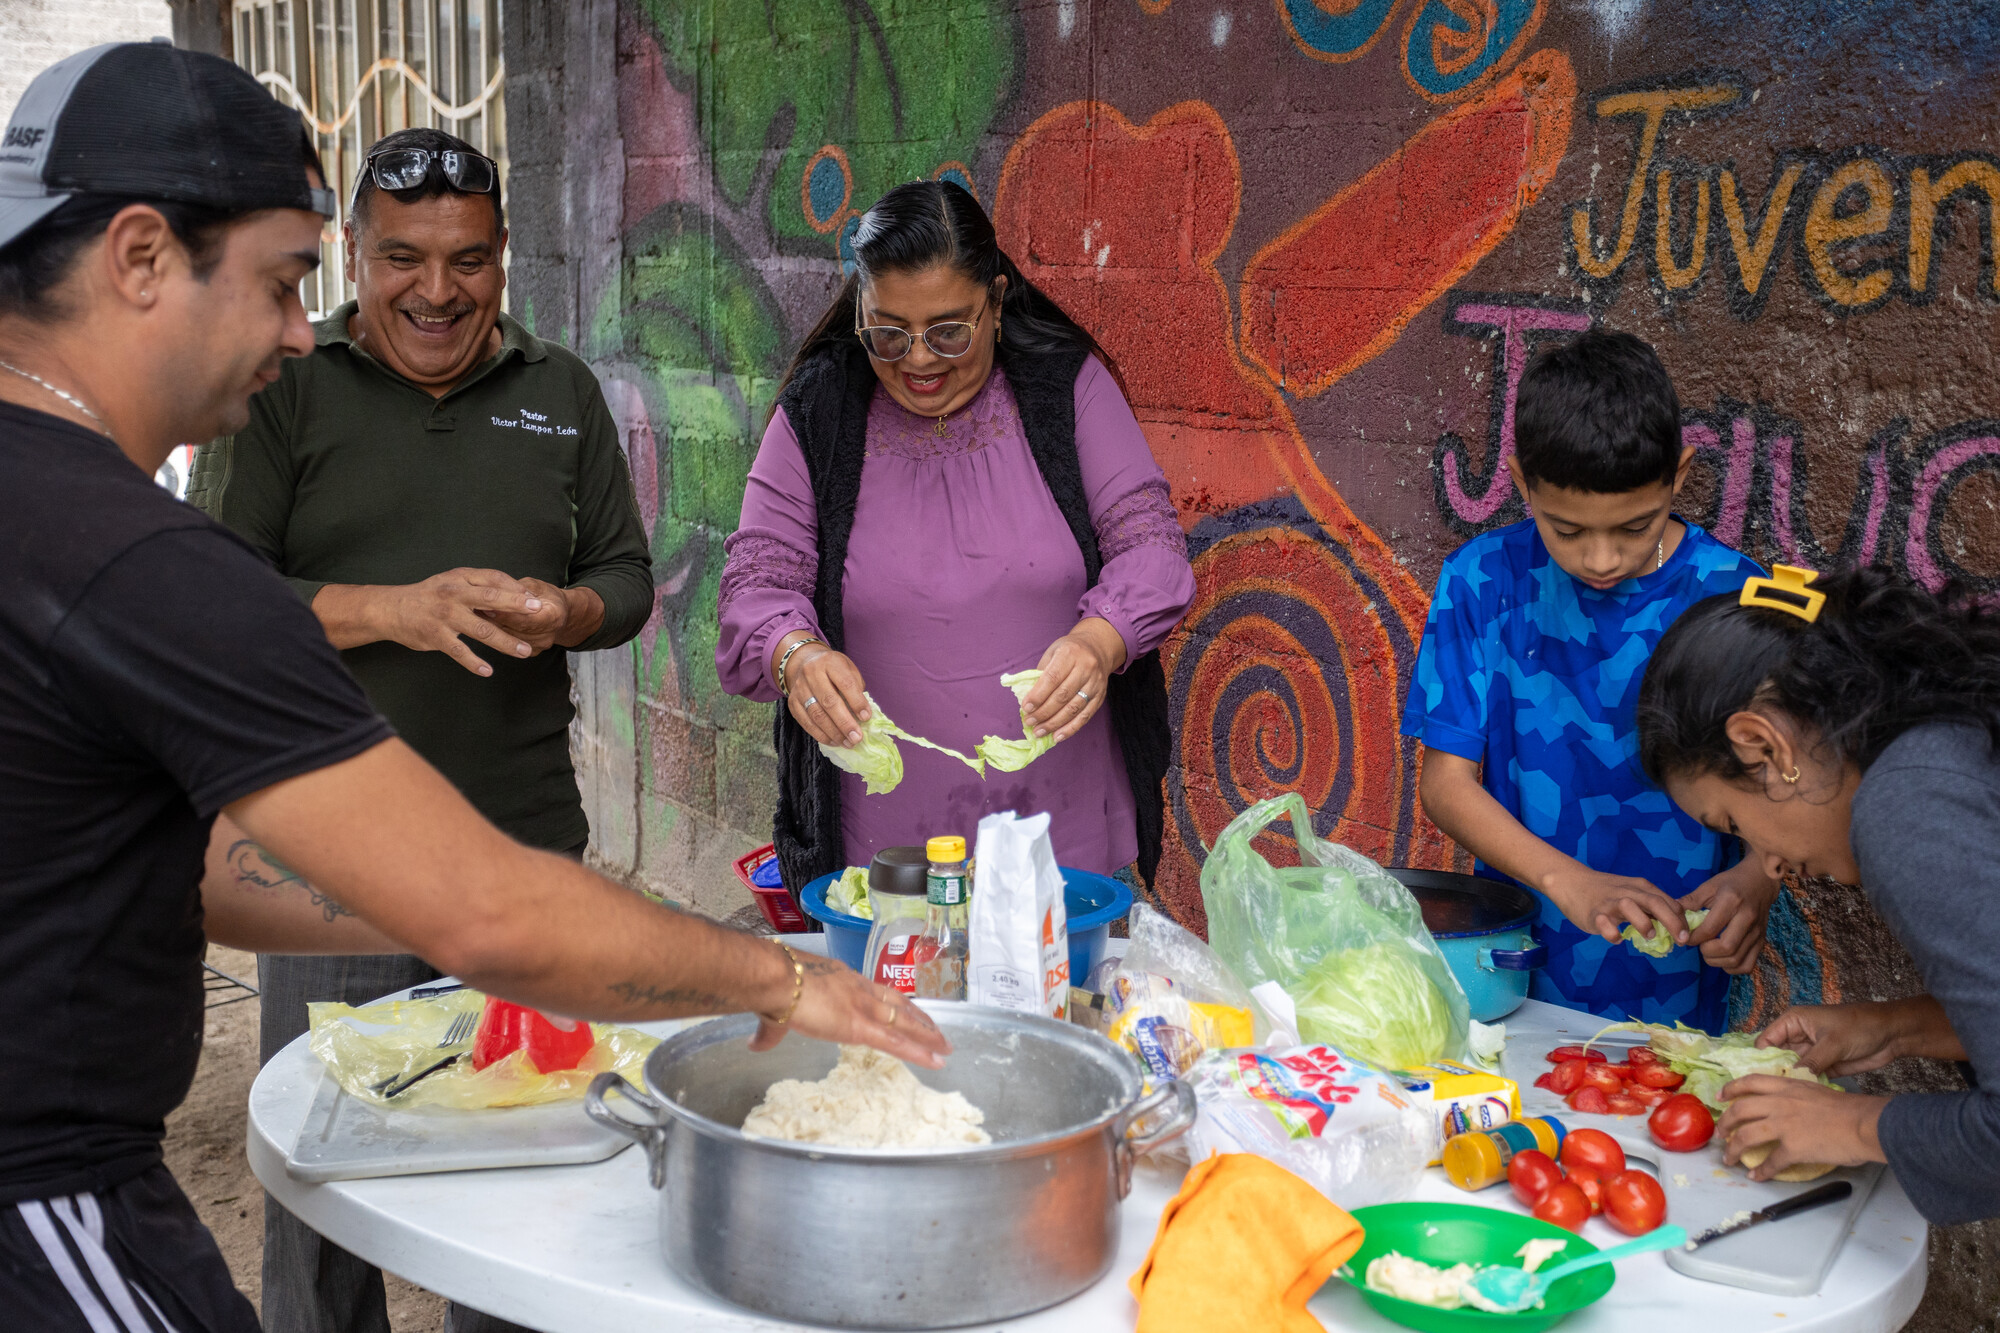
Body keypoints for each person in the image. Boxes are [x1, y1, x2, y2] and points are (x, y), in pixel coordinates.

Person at [0, 44, 943, 1333]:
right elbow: (485, 910)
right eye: (284, 280)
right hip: (47, 1206)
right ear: (143, 255)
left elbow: (177, 866)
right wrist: (771, 978)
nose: (295, 327)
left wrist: (483, 916)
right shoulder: (125, 549)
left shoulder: (56, 507)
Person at [188, 124, 653, 1333]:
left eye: (470, 259)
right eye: (402, 258)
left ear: (505, 258)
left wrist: (571, 609)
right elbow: (207, 603)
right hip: (323, 861)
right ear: (353, 251)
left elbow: (627, 577)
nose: (436, 290)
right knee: (326, 1172)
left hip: (522, 850)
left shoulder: (560, 392)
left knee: (524, 1163)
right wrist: (397, 608)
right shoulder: (280, 385)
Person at [715, 180, 1194, 893]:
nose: (917, 360)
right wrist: (795, 654)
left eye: (949, 331)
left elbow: (1152, 549)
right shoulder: (819, 414)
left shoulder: (1067, 389)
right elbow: (755, 589)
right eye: (887, 331)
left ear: (996, 304)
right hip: (884, 859)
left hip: (1064, 844)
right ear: (859, 311)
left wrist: (1101, 641)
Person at [1399, 330, 1779, 1032]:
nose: (1600, 558)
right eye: (1566, 530)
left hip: (1678, 994)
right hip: (1513, 974)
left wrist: (1758, 877)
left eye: (1635, 526)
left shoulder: (1735, 596)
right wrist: (1564, 881)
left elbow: (1786, 787)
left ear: (1681, 475)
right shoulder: (1482, 582)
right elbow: (1445, 785)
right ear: (1521, 484)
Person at [1636, 565, 2000, 1223]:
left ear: (1764, 744)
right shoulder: (1939, 748)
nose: (1770, 864)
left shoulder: (1906, 809)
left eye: (1734, 825)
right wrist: (1890, 1028)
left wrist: (1850, 1124)